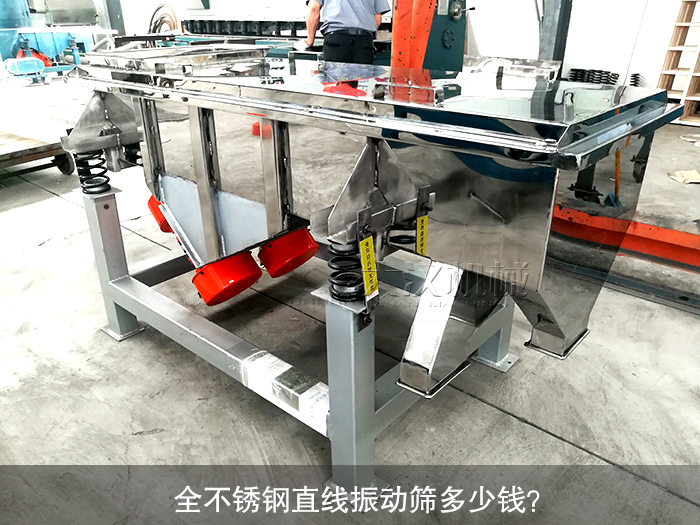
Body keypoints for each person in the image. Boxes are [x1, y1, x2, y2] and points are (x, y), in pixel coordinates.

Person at [300, 0, 391, 65]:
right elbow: (377, 17)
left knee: (336, 82)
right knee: (361, 82)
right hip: (363, 41)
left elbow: (313, 8)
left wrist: (310, 39)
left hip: (336, 39)